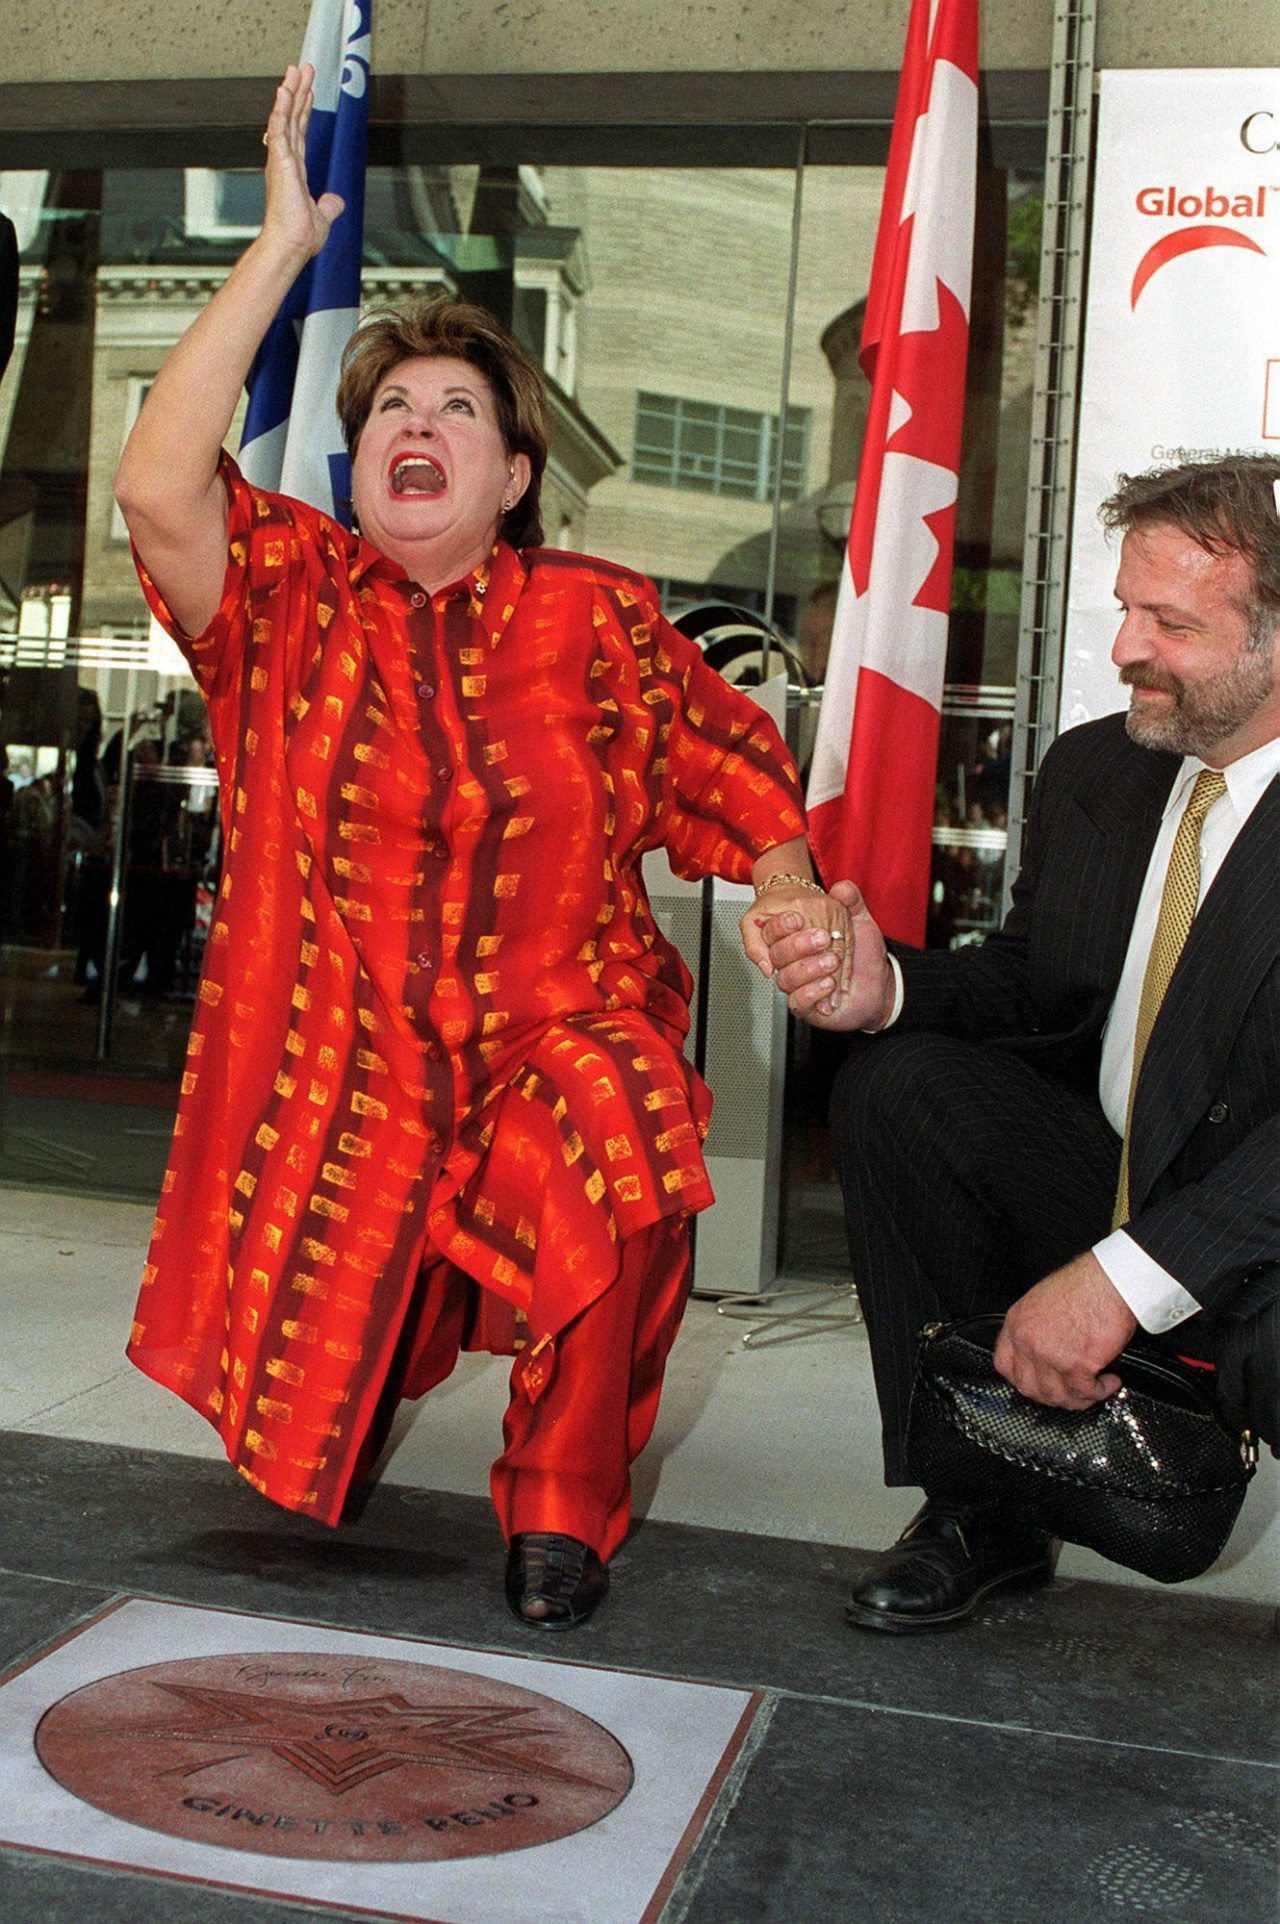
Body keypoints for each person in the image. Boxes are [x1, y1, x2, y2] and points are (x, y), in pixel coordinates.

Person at [114, 66, 851, 1631]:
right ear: (358, 460)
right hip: (349, 1071)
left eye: (460, 409)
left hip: (552, 1036)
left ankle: (562, 1507)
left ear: (516, 481)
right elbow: (156, 482)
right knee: (317, 1405)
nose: (420, 424)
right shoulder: (287, 600)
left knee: (633, 1121)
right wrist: (278, 247)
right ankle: (362, 1375)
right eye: (393, 407)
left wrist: (785, 885)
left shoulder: (598, 621)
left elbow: (741, 770)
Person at [758, 453, 1280, 1632]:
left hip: (1260, 1239)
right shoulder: (1102, 768)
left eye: (1170, 622)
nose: (1124, 650)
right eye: (1123, 610)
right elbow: (1033, 982)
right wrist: (881, 988)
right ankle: (980, 1502)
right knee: (900, 1088)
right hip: (1113, 1176)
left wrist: (1118, 1281)